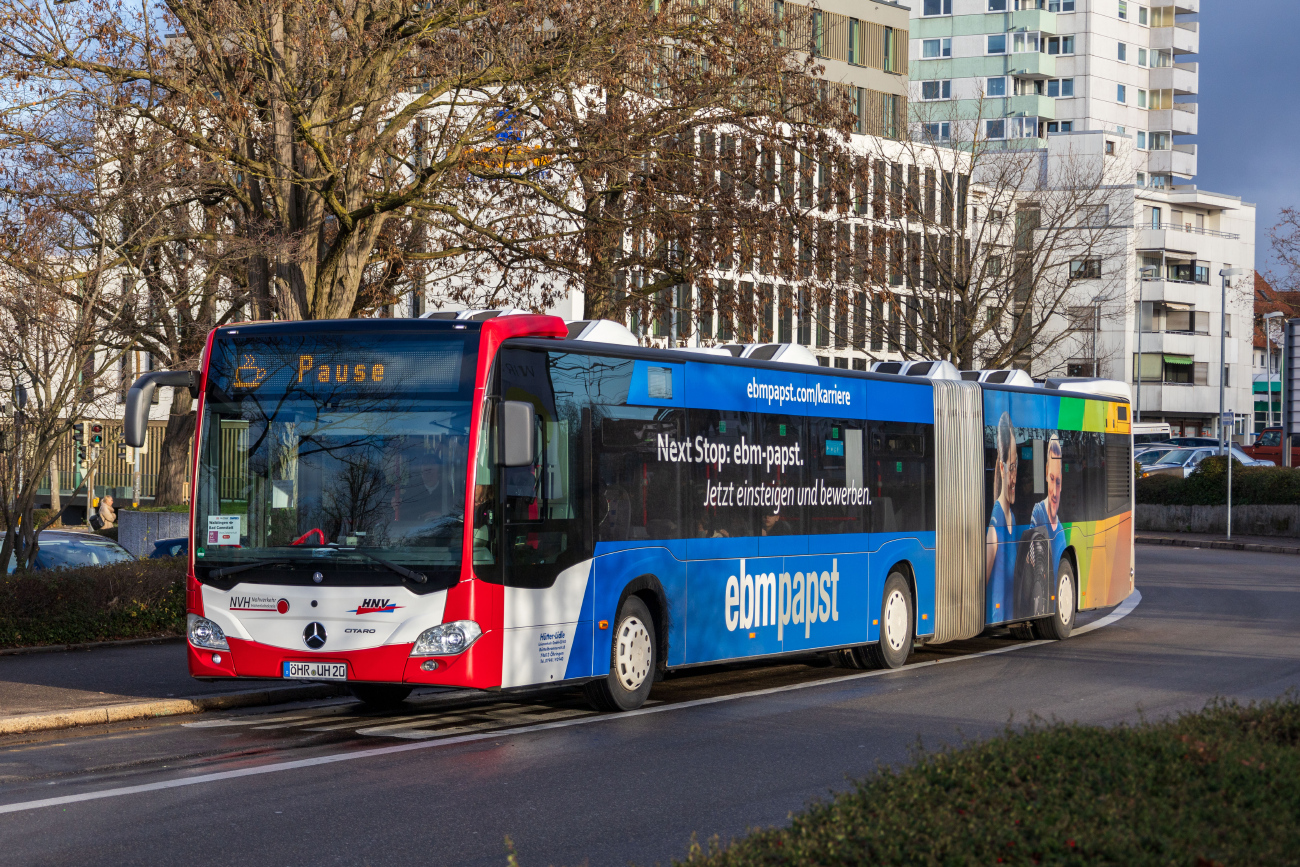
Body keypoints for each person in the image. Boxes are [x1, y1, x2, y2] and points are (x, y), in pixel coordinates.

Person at [985, 412, 1018, 621]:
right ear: (1001, 467)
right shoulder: (994, 529)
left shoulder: (1012, 518)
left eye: (1016, 467)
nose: (1014, 477)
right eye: (1011, 467)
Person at [1029, 435, 1066, 577]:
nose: (1055, 493)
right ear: (1045, 473)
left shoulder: (1061, 533)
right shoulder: (1038, 512)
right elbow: (1030, 553)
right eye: (1051, 479)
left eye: (1057, 481)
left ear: (1061, 483)